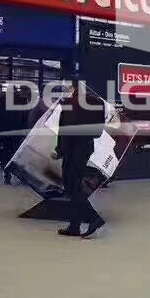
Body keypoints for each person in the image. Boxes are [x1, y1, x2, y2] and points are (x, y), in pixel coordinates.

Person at [55, 80, 107, 238]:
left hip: (72, 150)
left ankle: (94, 218)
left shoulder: (72, 103)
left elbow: (67, 130)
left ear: (73, 87)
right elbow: (98, 131)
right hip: (86, 147)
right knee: (75, 185)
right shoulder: (96, 102)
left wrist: (60, 150)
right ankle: (74, 226)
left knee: (71, 187)